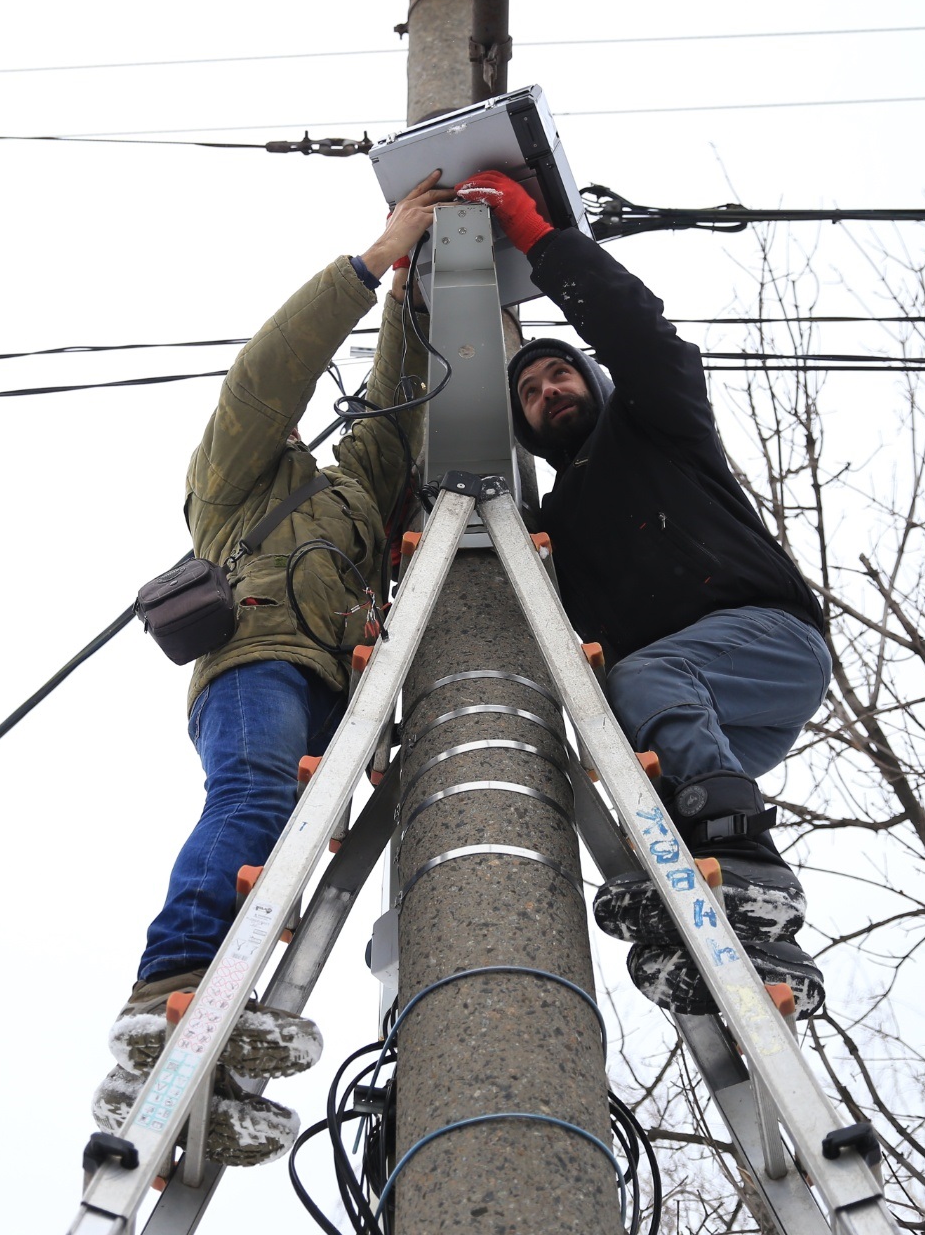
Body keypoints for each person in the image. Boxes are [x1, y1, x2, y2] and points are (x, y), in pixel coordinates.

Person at [91, 173, 453, 1166]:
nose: (297, 421)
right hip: (256, 661)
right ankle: (167, 986)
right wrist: (372, 257)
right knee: (249, 794)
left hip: (338, 699)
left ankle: (211, 1050)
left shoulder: (352, 496)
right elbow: (266, 374)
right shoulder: (230, 481)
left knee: (278, 867)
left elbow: (390, 413)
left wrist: (413, 294)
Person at [454, 169, 832, 1018]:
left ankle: (744, 864)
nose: (549, 391)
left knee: (645, 685)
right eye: (529, 392)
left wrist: (538, 235)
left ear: (594, 382)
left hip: (765, 641)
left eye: (560, 376)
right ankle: (741, 935)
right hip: (712, 711)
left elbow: (641, 333)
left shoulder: (658, 424)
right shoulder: (557, 527)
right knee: (630, 758)